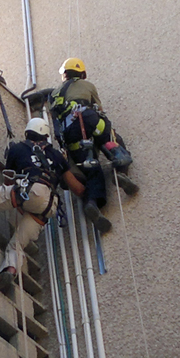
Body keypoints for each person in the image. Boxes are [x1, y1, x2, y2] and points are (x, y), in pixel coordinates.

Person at [0, 118, 85, 291]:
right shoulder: (57, 156)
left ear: (28, 132)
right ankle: (10, 270)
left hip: (32, 192)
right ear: (45, 135)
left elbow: (8, 182)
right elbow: (77, 188)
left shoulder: (18, 148)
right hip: (49, 207)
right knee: (18, 244)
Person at [49, 57, 138, 233]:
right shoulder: (88, 86)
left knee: (92, 169)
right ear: (82, 73)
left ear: (65, 74)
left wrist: (65, 147)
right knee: (110, 138)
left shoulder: (54, 95)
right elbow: (99, 110)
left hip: (70, 134)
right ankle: (121, 169)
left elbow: (56, 126)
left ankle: (92, 203)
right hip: (88, 118)